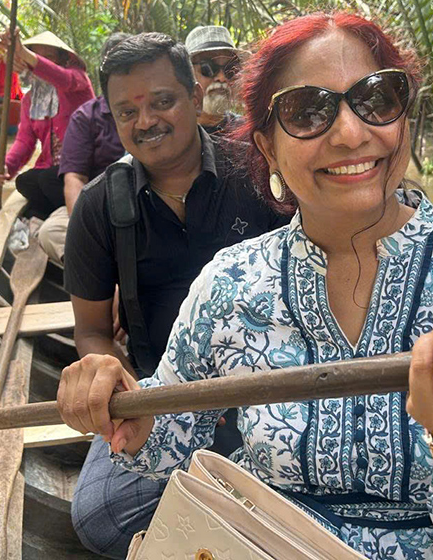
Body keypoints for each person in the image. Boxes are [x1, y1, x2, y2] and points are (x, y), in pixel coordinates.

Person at [56, 13, 433, 560]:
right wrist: (121, 404)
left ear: (404, 119)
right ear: (268, 148)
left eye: (377, 99)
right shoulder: (229, 283)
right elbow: (166, 441)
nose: (352, 134)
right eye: (308, 111)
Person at [61, 32, 290, 557]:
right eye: (127, 112)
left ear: (193, 96)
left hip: (261, 389)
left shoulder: (256, 176)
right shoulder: (98, 207)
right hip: (159, 397)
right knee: (100, 515)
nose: (146, 122)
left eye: (162, 101)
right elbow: (94, 328)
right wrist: (117, 386)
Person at [37, 34, 129, 264]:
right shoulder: (87, 116)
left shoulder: (75, 79)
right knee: (50, 232)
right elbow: (74, 178)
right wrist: (83, 227)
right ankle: (96, 273)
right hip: (98, 204)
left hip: (142, 201)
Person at [0, 31, 95, 220]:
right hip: (54, 174)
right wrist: (6, 166)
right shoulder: (30, 100)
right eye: (38, 58)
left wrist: (23, 51)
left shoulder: (77, 80)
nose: (42, 63)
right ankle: (57, 211)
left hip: (86, 168)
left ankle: (79, 213)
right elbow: (24, 141)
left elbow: (61, 77)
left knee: (47, 180)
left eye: (50, 58)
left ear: (63, 60)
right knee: (25, 181)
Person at [184, 25, 244, 134]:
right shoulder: (174, 134)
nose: (222, 78)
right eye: (208, 68)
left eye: (230, 70)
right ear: (188, 74)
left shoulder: (245, 133)